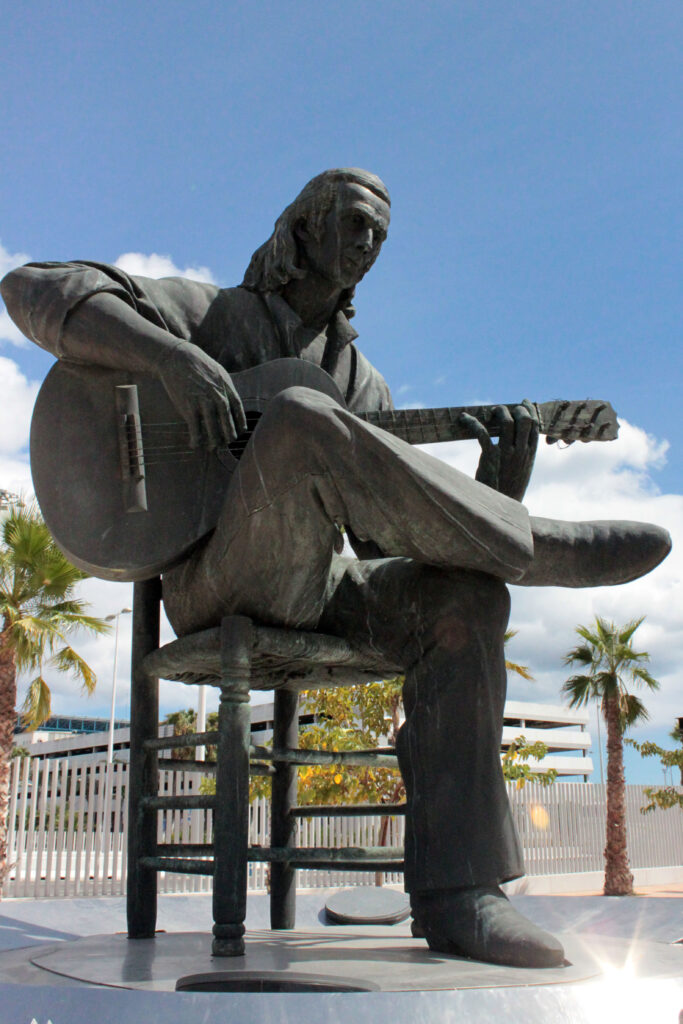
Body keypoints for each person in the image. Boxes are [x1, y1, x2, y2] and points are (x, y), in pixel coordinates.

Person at [1, 168, 671, 968]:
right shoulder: (212, 315)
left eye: (380, 235)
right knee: (297, 413)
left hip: (315, 587)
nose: (368, 244)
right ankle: (531, 544)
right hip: (217, 585)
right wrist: (171, 359)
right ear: (303, 226)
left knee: (463, 597)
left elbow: (389, 553)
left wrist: (499, 484)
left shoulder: (362, 382)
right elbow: (29, 288)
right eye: (354, 223)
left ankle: (461, 896)